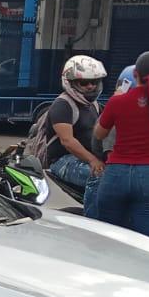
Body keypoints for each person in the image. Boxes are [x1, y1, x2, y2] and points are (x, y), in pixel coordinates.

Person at [93, 50, 149, 237]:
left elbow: (99, 134)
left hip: (116, 175)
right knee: (145, 241)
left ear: (135, 75)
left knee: (107, 236)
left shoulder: (117, 102)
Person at [40, 54, 108, 217]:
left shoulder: (94, 105)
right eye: (84, 83)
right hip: (64, 161)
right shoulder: (63, 105)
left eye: (94, 82)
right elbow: (67, 141)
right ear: (70, 82)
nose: (90, 86)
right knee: (101, 177)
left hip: (90, 156)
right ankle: (93, 219)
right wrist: (92, 160)